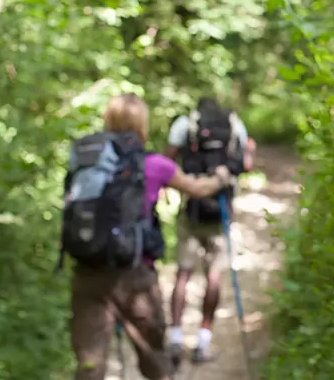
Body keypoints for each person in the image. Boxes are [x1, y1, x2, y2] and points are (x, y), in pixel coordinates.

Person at [66, 93, 232, 380]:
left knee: (90, 365)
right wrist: (220, 177)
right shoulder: (154, 165)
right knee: (156, 360)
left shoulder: (86, 161)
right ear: (142, 124)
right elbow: (198, 189)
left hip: (87, 271)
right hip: (135, 275)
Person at [164, 97, 250, 366]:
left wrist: (187, 184)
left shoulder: (184, 123)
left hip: (191, 210)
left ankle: (176, 338)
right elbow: (244, 163)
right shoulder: (234, 124)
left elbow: (168, 162)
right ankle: (203, 341)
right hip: (222, 209)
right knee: (214, 276)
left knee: (183, 274)